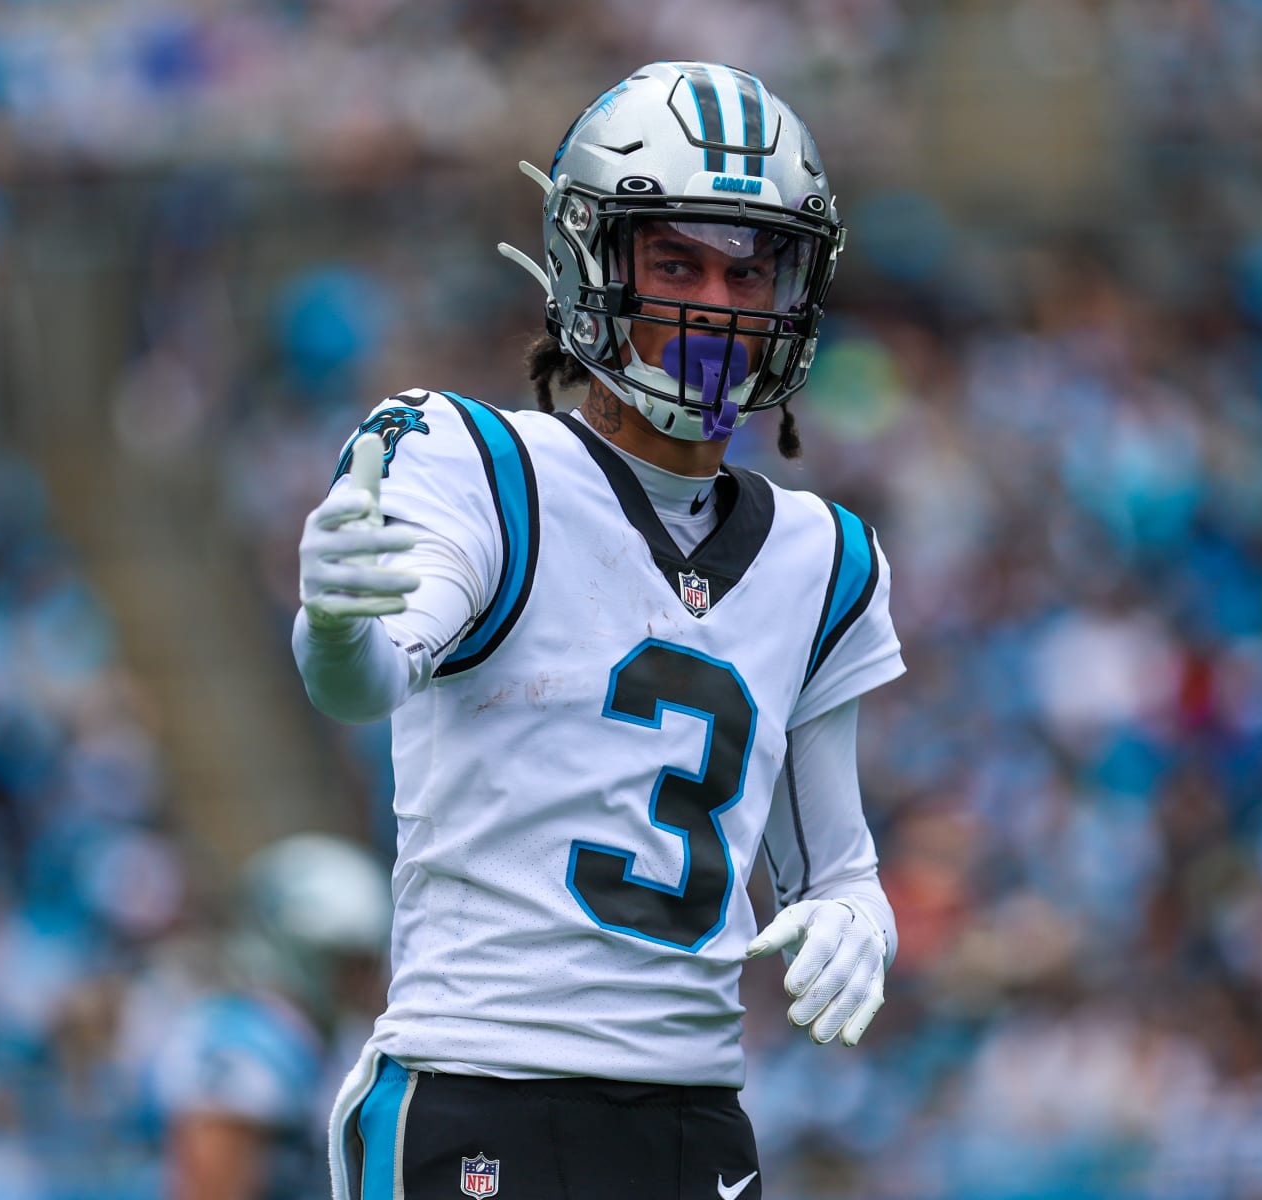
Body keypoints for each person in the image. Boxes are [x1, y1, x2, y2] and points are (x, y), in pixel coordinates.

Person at [294, 61, 904, 1200]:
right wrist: (333, 625)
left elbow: (838, 867)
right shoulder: (481, 464)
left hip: (695, 1122)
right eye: (676, 263)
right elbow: (368, 675)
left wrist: (857, 920)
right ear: (592, 263)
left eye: (749, 269)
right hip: (483, 1088)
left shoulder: (825, 557)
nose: (717, 304)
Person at [152, 835, 391, 1200]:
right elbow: (210, 1190)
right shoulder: (242, 1044)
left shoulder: (334, 1036)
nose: (364, 978)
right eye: (348, 962)